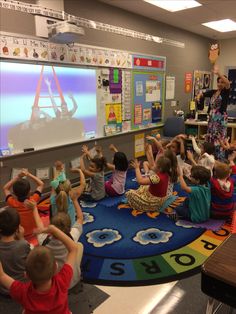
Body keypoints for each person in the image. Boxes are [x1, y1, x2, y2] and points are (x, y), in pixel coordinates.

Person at [0, 224, 78, 314]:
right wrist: (54, 230)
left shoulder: (22, 291)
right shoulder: (62, 281)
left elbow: (2, 275)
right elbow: (74, 249)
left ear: (26, 275)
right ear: (56, 268)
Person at [196, 65, 230, 160]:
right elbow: (202, 93)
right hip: (212, 118)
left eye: (222, 82)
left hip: (220, 119)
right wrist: (199, 96)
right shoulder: (214, 92)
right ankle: (210, 158)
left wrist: (218, 73)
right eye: (218, 82)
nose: (220, 84)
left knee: (219, 139)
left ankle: (219, 160)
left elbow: (227, 83)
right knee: (210, 138)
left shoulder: (225, 92)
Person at [3, 169, 44, 240]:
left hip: (20, 233)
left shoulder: (12, 202)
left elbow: (5, 188)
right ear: (29, 192)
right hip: (33, 231)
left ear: (14, 194)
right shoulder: (33, 200)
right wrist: (28, 174)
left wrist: (18, 176)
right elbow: (41, 184)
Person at [0, 207, 30, 295]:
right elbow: (30, 260)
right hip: (22, 287)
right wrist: (22, 238)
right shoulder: (23, 244)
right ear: (18, 228)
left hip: (4, 289)